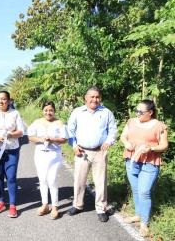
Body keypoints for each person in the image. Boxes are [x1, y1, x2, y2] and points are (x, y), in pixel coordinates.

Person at [67, 86, 117, 222]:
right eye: (92, 97)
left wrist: (109, 141)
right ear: (86, 98)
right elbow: (70, 130)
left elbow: (113, 130)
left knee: (100, 181)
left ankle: (101, 208)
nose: (95, 99)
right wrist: (74, 145)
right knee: (79, 180)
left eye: (97, 97)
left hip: (100, 152)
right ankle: (77, 205)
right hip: (81, 151)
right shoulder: (77, 112)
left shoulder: (106, 112)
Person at [120, 100, 168, 237]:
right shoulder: (131, 122)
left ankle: (144, 223)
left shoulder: (159, 126)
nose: (137, 113)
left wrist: (151, 148)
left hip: (150, 163)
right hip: (132, 161)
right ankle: (138, 215)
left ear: (150, 113)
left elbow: (164, 145)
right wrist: (126, 143)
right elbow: (123, 136)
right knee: (136, 190)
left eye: (140, 112)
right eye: (136, 110)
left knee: (144, 191)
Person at [0, 91, 24, 218]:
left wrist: (11, 135)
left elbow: (21, 131)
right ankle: (1, 201)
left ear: (9, 100)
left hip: (12, 149)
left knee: (11, 177)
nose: (1, 101)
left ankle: (12, 205)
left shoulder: (15, 113)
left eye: (4, 99)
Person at [28, 101, 68, 219]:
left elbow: (64, 139)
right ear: (42, 111)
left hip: (54, 155)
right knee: (42, 180)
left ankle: (55, 207)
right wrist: (41, 139)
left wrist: (53, 139)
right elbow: (30, 137)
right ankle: (45, 205)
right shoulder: (37, 122)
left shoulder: (59, 123)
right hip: (40, 155)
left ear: (54, 111)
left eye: (50, 110)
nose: (48, 112)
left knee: (52, 179)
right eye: (46, 110)